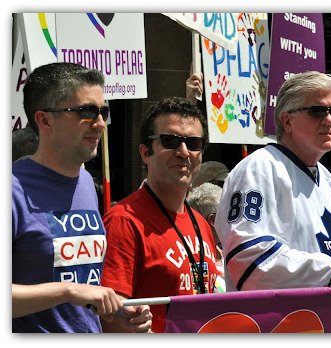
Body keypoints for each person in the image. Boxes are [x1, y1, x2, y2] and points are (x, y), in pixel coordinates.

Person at [215, 71, 331, 299]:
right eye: (318, 111)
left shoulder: (326, 179)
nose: (329, 120)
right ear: (287, 121)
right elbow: (248, 261)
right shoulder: (259, 168)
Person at [12, 62, 152, 333]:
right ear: (44, 120)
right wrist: (68, 291)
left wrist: (117, 310)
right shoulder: (13, 189)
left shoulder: (86, 182)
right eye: (86, 112)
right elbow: (72, 289)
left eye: (103, 112)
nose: (100, 124)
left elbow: (82, 285)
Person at [101, 97, 218, 333]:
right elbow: (109, 318)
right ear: (145, 153)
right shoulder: (123, 221)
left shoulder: (200, 223)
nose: (183, 151)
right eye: (170, 141)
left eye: (194, 143)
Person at [188, 182, 225, 292]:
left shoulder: (228, 251)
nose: (233, 220)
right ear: (213, 220)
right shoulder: (193, 259)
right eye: (228, 214)